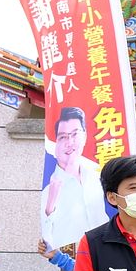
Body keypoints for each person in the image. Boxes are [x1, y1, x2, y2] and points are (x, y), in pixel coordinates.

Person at [40, 107, 108, 249]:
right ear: (55, 143)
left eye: (74, 134)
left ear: (85, 136)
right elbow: (47, 241)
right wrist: (50, 206)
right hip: (76, 260)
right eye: (63, 137)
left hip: (107, 255)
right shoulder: (49, 190)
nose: (69, 142)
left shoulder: (97, 177)